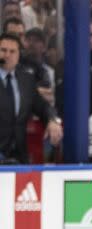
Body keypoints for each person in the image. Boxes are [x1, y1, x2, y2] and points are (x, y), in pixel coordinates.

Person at [0, 32, 62, 164]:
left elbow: (42, 106)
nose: (7, 55)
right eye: (3, 50)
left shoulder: (26, 80)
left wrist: (52, 120)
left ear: (18, 55)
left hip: (19, 155)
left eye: (12, 51)